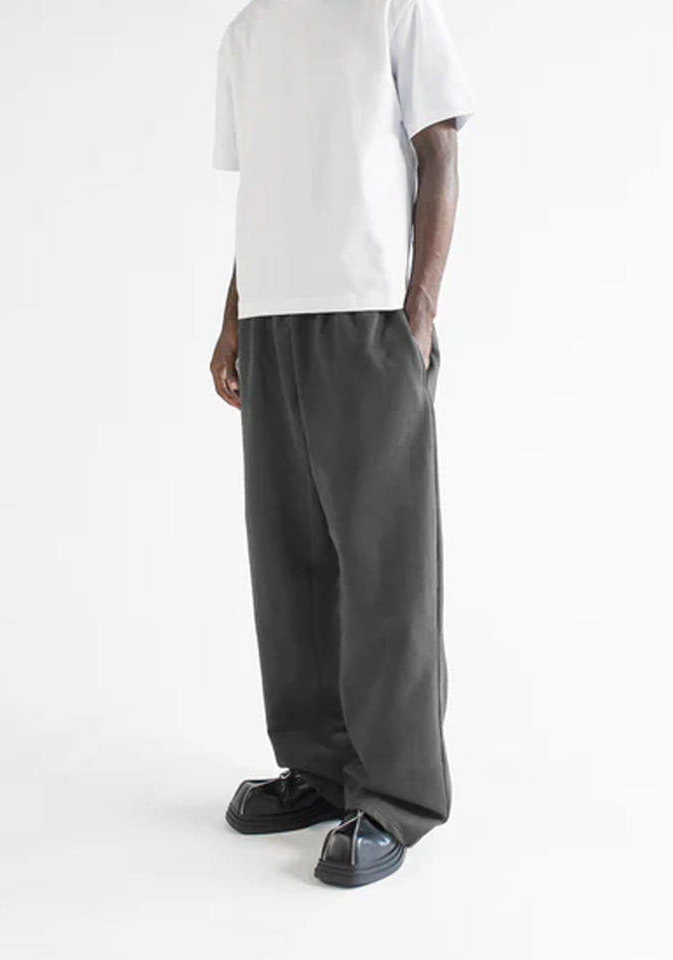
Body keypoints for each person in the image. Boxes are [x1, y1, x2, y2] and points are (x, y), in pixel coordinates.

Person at [209, 0, 473, 887]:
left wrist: (418, 313)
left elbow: (440, 151)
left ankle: (397, 795)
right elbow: (266, 189)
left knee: (385, 566)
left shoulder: (393, 8)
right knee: (289, 560)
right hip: (273, 318)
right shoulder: (247, 33)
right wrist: (234, 316)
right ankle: (321, 770)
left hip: (369, 313)